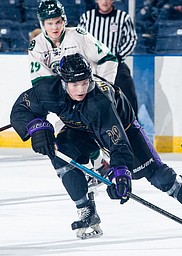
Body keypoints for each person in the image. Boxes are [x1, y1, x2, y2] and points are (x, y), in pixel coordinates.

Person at [10, 53, 182, 239]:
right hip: (80, 131)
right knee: (59, 151)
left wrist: (120, 173)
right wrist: (37, 126)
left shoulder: (99, 102)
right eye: (75, 84)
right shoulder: (47, 90)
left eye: (85, 83)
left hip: (123, 128)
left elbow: (117, 142)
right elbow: (21, 109)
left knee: (157, 175)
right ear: (63, 82)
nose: (80, 89)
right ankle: (86, 210)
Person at [28, 0, 117, 185]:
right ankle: (98, 166)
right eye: (49, 23)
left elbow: (108, 58)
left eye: (58, 21)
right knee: (65, 136)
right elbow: (41, 82)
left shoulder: (78, 35)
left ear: (64, 20)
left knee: (83, 131)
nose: (54, 27)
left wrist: (101, 89)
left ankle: (101, 165)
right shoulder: (37, 45)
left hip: (88, 93)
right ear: (42, 24)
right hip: (66, 101)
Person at [79, 0, 139, 117]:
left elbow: (131, 39)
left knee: (129, 95)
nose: (105, 1)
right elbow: (80, 40)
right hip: (92, 66)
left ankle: (132, 126)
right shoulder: (87, 17)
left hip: (116, 64)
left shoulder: (123, 18)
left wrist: (118, 57)